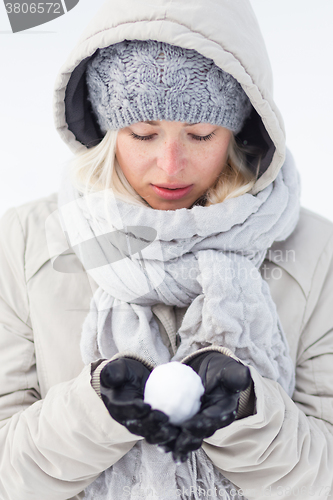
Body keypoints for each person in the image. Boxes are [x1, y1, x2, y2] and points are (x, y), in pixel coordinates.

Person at [0, 1, 333, 499]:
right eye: (142, 134)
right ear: (108, 131)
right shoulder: (26, 242)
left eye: (200, 134)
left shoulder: (314, 251)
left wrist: (247, 411)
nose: (170, 165)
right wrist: (98, 408)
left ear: (242, 130)